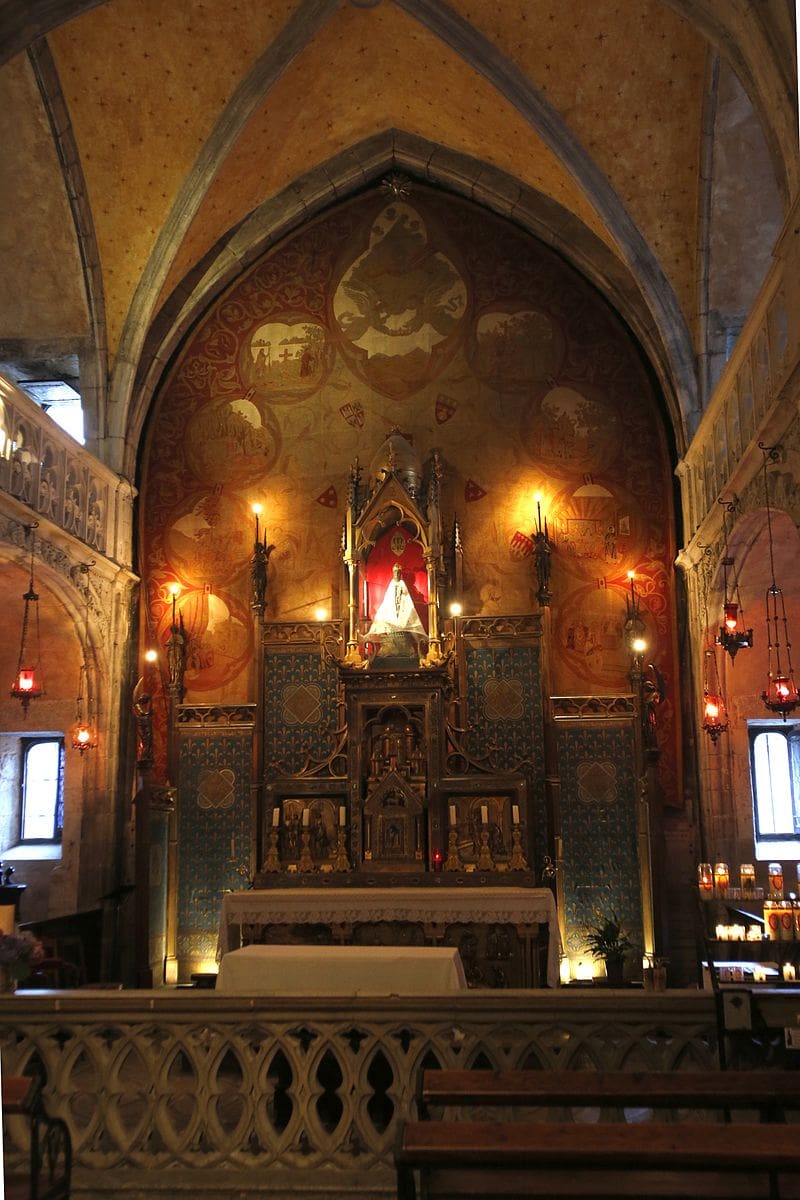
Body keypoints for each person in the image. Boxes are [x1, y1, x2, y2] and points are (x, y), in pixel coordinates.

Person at [366, 563, 426, 638]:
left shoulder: (402, 583)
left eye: (398, 573)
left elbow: (406, 596)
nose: (396, 575)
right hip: (393, 605)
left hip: (402, 605)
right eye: (395, 573)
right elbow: (389, 597)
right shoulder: (392, 584)